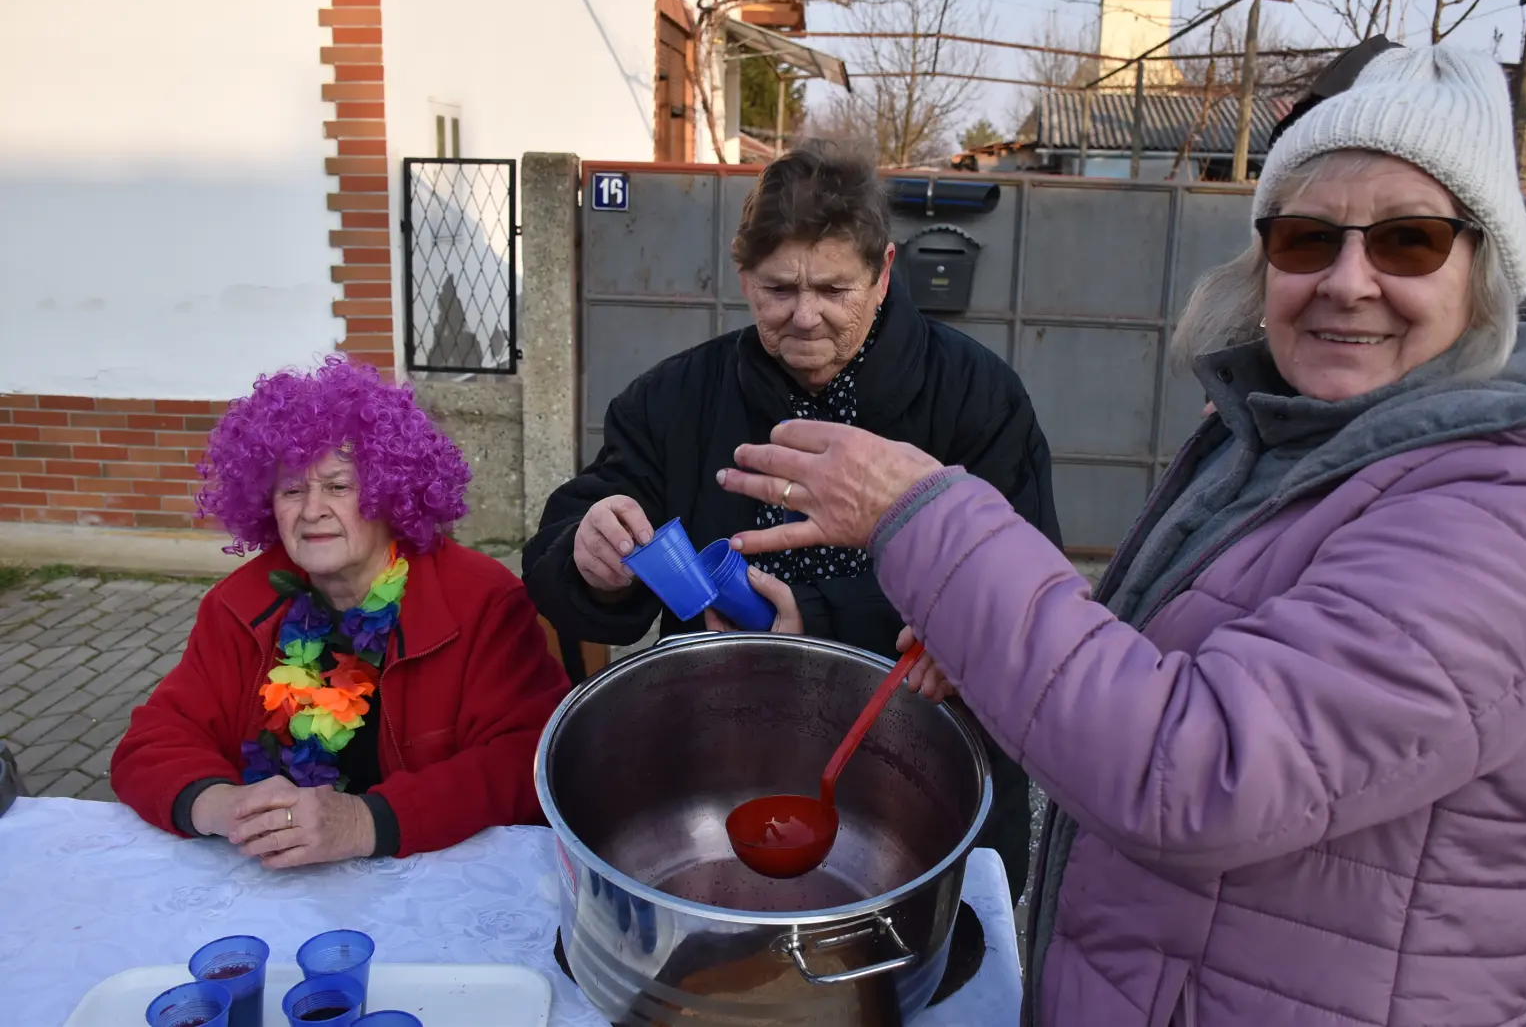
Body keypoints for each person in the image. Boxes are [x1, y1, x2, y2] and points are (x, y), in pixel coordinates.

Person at [718, 44, 1526, 1026]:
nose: (1347, 281)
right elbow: (1186, 664)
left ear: (1486, 268)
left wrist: (916, 512)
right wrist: (990, 636)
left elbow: (1196, 768)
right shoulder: (1293, 438)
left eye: (1408, 240)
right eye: (1306, 237)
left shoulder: (1511, 513)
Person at [524, 142, 1060, 901]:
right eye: (778, 289)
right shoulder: (675, 399)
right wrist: (589, 554)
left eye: (834, 288)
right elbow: (574, 537)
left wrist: (821, 615)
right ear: (744, 278)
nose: (805, 317)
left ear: (883, 272)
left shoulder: (976, 398)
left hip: (919, 761)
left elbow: (1031, 583)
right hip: (720, 766)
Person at [111, 357, 571, 867]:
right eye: (291, 490)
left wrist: (365, 822)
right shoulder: (239, 605)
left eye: (338, 486)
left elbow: (526, 758)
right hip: (278, 880)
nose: (311, 511)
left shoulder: (481, 600)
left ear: (388, 492)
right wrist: (222, 803)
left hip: (431, 878)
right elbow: (151, 742)